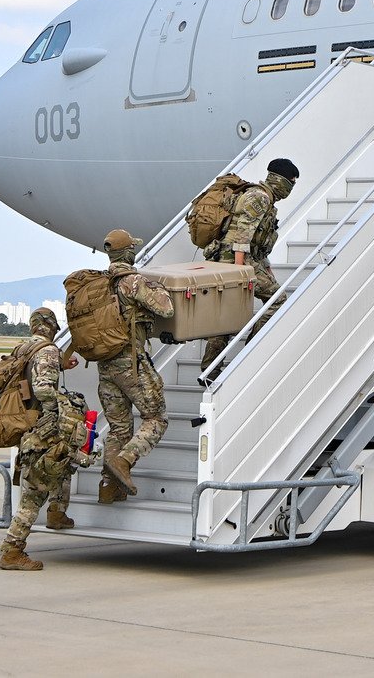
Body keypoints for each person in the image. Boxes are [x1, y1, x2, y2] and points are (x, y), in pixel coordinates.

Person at [199, 158, 300, 380]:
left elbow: (258, 244)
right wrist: (239, 271)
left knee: (227, 315)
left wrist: (266, 268)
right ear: (280, 180)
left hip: (233, 260)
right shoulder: (260, 197)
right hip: (235, 261)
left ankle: (209, 370)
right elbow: (242, 232)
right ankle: (248, 355)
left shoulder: (264, 199)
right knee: (278, 300)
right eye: (291, 182)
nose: (291, 187)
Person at [0, 307, 83, 571]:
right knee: (33, 495)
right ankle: (12, 551)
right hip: (41, 430)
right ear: (51, 327)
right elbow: (44, 389)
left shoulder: (22, 349)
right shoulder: (46, 351)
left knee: (63, 464)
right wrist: (67, 404)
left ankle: (57, 512)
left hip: (27, 426)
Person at [96, 229, 175, 503]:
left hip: (105, 366)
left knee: (118, 429)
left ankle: (108, 488)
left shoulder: (98, 284)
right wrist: (159, 289)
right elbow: (166, 309)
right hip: (130, 362)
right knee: (157, 418)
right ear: (129, 253)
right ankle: (125, 462)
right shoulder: (132, 281)